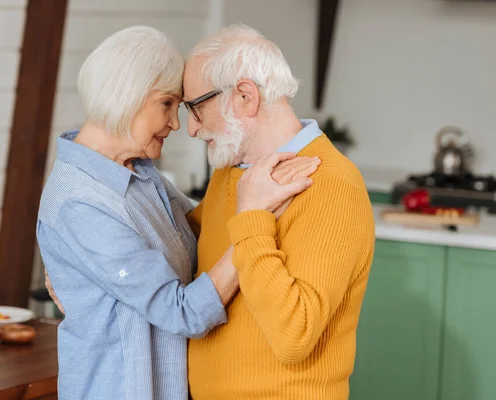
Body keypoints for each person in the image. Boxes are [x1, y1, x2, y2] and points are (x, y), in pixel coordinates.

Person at [36, 26, 319, 400]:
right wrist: (256, 218)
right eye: (167, 104)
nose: (175, 124)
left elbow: (204, 232)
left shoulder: (138, 173)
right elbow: (183, 313)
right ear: (128, 96)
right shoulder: (79, 203)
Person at [182, 24, 376, 400]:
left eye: (196, 107)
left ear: (245, 96)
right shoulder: (231, 171)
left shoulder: (333, 185)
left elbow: (294, 335)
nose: (191, 127)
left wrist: (253, 216)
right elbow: (183, 244)